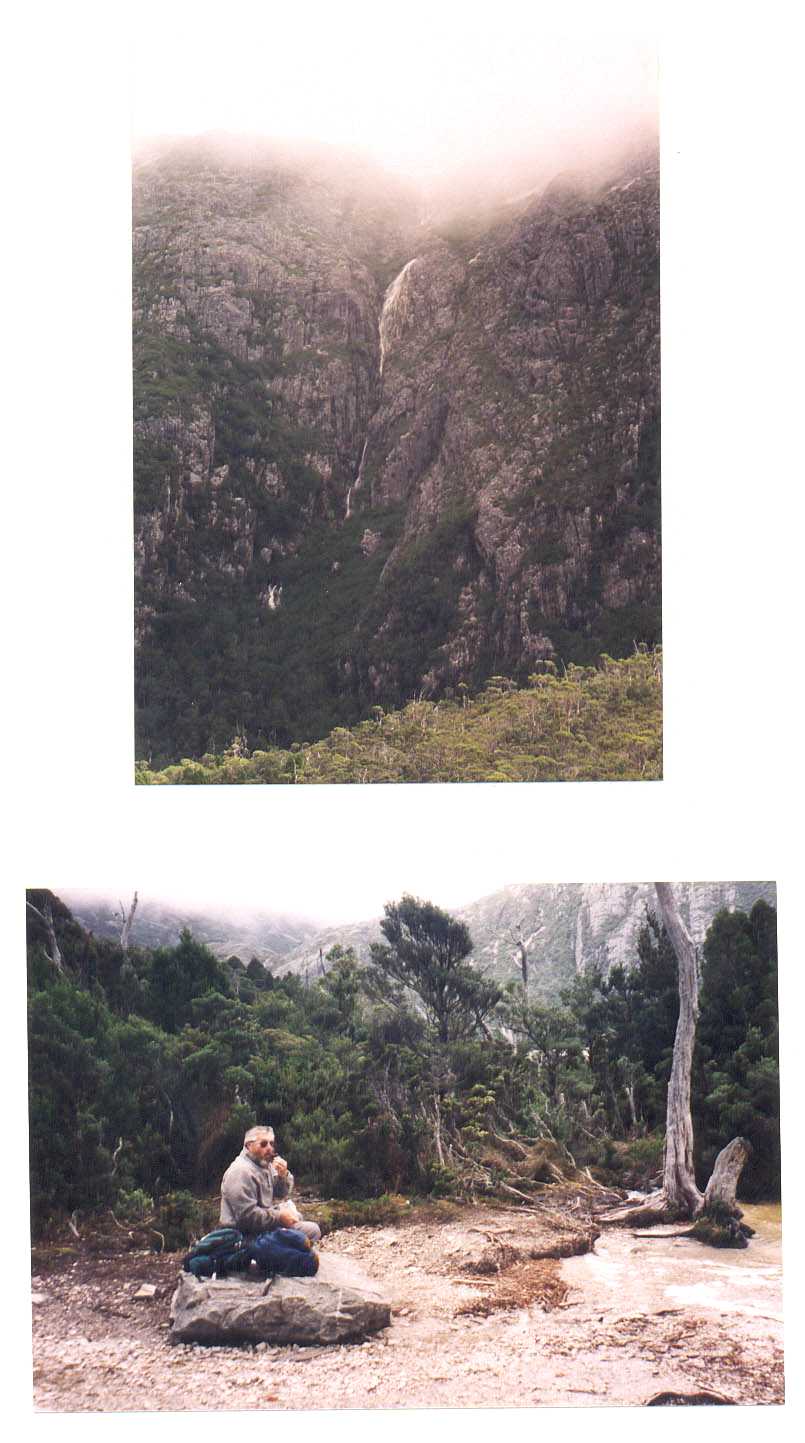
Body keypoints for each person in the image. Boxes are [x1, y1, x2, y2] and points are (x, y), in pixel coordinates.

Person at [220, 1124, 321, 1245]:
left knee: (301, 1221)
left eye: (271, 1144)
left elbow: (280, 1193)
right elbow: (246, 1217)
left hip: (262, 1229)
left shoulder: (264, 1164)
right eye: (263, 1144)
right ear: (248, 1145)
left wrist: (283, 1176)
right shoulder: (240, 1171)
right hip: (242, 1235)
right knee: (311, 1231)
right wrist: (279, 1217)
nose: (269, 1148)